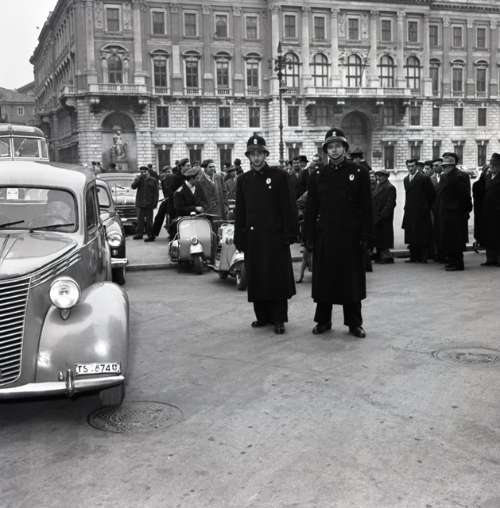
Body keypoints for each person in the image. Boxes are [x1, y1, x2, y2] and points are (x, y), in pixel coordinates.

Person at [304, 128, 372, 338]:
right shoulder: (318, 175)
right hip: (325, 235)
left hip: (350, 236)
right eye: (330, 147)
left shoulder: (359, 172)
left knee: (351, 282)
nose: (334, 150)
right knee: (324, 281)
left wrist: (366, 236)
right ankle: (323, 321)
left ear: (345, 148)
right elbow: (311, 208)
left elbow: (366, 207)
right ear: (326, 150)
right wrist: (308, 237)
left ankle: (354, 323)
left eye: (338, 146)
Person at [234, 133, 297, 335]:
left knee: (276, 278)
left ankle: (278, 319)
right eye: (252, 154)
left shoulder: (279, 176)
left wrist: (290, 233)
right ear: (248, 157)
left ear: (265, 155)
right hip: (254, 238)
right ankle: (262, 316)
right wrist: (239, 236)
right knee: (257, 277)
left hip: (275, 238)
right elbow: (240, 212)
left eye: (259, 153)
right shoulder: (243, 180)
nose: (256, 158)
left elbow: (289, 207)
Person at [435, 152, 472, 271]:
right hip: (445, 212)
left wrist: (466, 211)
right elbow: (440, 195)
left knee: (456, 239)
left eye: (446, 166)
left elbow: (465, 196)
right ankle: (451, 261)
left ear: (452, 165)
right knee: (447, 238)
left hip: (456, 213)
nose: (444, 168)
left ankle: (458, 263)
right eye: (444, 166)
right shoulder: (444, 177)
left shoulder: (460, 176)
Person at [402, 158, 435, 263]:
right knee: (411, 234)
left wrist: (426, 207)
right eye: (409, 166)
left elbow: (431, 194)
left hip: (421, 211)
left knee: (422, 234)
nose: (410, 168)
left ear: (416, 166)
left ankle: (423, 257)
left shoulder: (423, 178)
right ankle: (413, 256)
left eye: (412, 166)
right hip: (410, 210)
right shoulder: (406, 179)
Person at [474, 153, 500, 266]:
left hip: (498, 212)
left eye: (495, 165)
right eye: (491, 165)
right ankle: (491, 259)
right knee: (489, 235)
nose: (492, 167)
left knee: (498, 236)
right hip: (488, 211)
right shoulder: (488, 177)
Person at [372, 169, 396, 264]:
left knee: (385, 237)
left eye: (380, 176)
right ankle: (380, 255)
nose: (378, 178)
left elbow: (390, 204)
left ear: (386, 177)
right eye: (377, 176)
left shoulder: (390, 187)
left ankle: (386, 257)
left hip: (384, 217)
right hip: (377, 216)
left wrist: (383, 215)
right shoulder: (378, 186)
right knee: (379, 237)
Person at [132, 166, 159, 242]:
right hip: (140, 203)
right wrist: (138, 179)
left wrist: (155, 203)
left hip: (149, 204)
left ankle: (150, 235)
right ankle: (139, 234)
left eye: (144, 172)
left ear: (148, 172)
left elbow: (156, 192)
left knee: (149, 221)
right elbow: (133, 187)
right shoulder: (139, 179)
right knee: (140, 220)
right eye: (141, 172)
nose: (143, 173)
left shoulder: (153, 180)